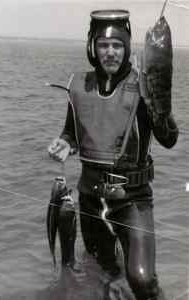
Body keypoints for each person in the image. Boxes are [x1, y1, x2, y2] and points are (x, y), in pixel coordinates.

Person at [48, 9, 178, 300]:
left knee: (142, 280)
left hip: (132, 198)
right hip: (90, 198)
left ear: (128, 48)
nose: (110, 52)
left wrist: (160, 105)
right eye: (103, 45)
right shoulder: (79, 86)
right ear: (93, 47)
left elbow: (169, 140)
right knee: (104, 275)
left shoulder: (142, 85)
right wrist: (65, 143)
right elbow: (72, 132)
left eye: (117, 45)